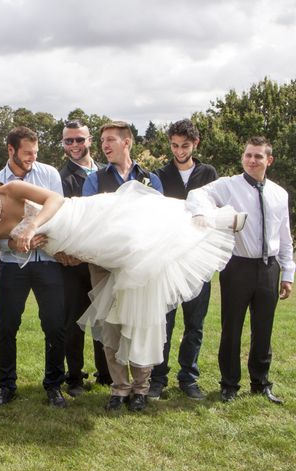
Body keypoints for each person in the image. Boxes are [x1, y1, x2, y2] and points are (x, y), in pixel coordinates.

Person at [0, 161, 242, 413]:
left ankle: (216, 221)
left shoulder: (14, 188)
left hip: (83, 219)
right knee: (115, 308)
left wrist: (31, 226)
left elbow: (55, 199)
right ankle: (122, 387)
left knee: (145, 235)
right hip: (77, 247)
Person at [187, 136, 294, 404]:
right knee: (231, 327)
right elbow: (197, 194)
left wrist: (288, 274)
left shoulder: (279, 194)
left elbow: (285, 237)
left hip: (269, 268)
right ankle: (229, 384)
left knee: (264, 328)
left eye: (258, 156)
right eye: (248, 155)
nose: (252, 160)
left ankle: (261, 383)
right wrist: (203, 215)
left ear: (269, 160)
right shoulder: (228, 185)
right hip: (237, 266)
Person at [82, 121, 165, 412]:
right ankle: (119, 389)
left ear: (126, 142)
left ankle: (141, 388)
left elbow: (159, 219)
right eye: (102, 140)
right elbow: (91, 218)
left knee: (141, 324)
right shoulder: (95, 179)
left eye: (110, 140)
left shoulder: (150, 178)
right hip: (105, 265)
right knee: (112, 328)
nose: (104, 145)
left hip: (141, 264)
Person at [0, 126, 68, 408]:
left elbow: (58, 213)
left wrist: (38, 236)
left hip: (48, 262)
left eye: (35, 152)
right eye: (27, 153)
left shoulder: (50, 175)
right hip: (11, 265)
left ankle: (54, 385)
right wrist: (16, 243)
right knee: (6, 326)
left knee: (55, 326)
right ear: (11, 150)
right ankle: (6, 386)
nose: (33, 158)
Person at [147, 119, 218, 401]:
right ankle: (157, 378)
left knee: (195, 324)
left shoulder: (209, 173)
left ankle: (188, 378)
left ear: (195, 144)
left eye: (185, 146)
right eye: (175, 145)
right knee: (164, 322)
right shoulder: (159, 175)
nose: (179, 151)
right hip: (168, 259)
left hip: (199, 258)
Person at [58, 120, 111, 396]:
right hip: (73, 262)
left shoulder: (106, 173)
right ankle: (75, 377)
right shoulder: (61, 178)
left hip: (104, 260)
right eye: (69, 141)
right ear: (63, 144)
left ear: (89, 140)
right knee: (74, 321)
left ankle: (106, 374)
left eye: (80, 139)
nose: (75, 145)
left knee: (105, 318)